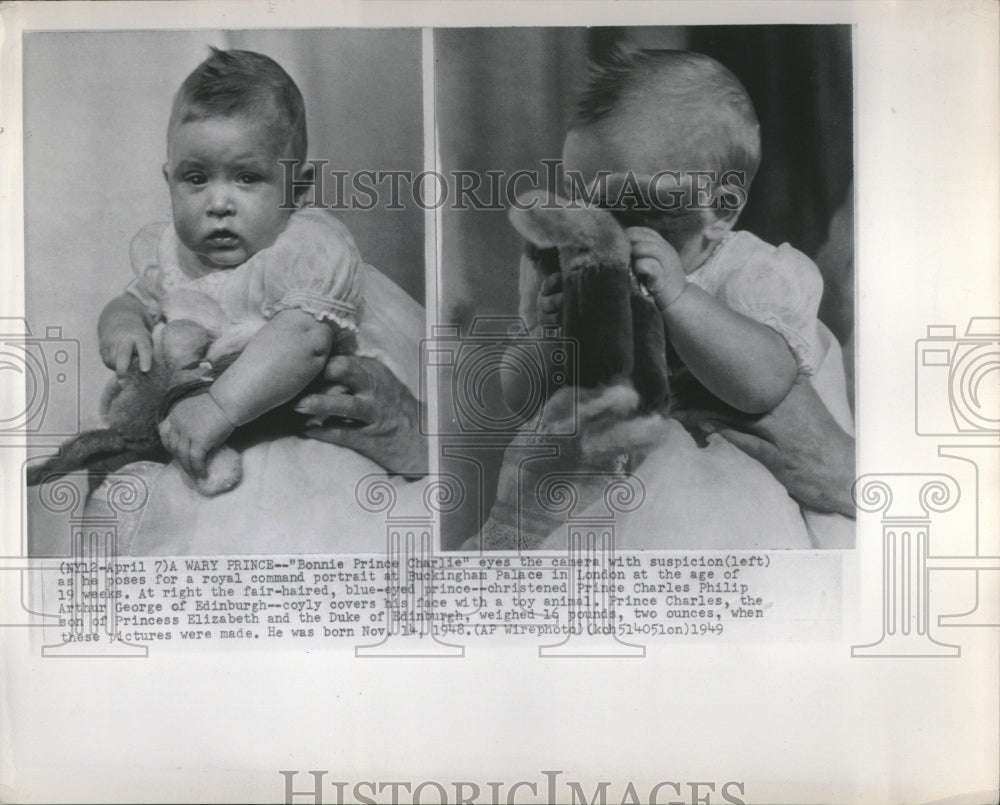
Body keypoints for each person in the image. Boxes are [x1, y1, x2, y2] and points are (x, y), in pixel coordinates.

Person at [489, 48, 855, 549]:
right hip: (609, 477)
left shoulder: (755, 273)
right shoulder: (569, 266)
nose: (600, 227)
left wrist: (679, 298)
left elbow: (767, 386)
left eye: (625, 205)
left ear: (719, 210)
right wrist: (549, 338)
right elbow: (520, 397)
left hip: (734, 487)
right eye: (581, 200)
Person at [86, 48, 425, 553]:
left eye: (247, 178)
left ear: (299, 187)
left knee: (301, 526)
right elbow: (130, 300)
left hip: (288, 432)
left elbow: (304, 340)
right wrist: (124, 328)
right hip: (200, 434)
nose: (218, 203)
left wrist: (219, 409)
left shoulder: (306, 250)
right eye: (196, 178)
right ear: (169, 180)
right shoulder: (171, 255)